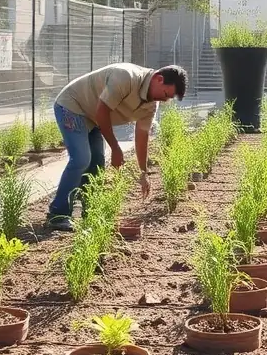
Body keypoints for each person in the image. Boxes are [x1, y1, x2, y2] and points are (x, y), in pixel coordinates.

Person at [46, 63, 187, 231]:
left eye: (167, 99)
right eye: (165, 94)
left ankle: (90, 211)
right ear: (158, 79)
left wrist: (143, 172)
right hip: (72, 106)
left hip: (94, 117)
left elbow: (142, 136)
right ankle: (58, 214)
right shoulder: (126, 77)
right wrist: (115, 148)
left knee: (97, 163)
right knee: (82, 159)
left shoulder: (151, 105)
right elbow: (102, 111)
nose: (163, 100)